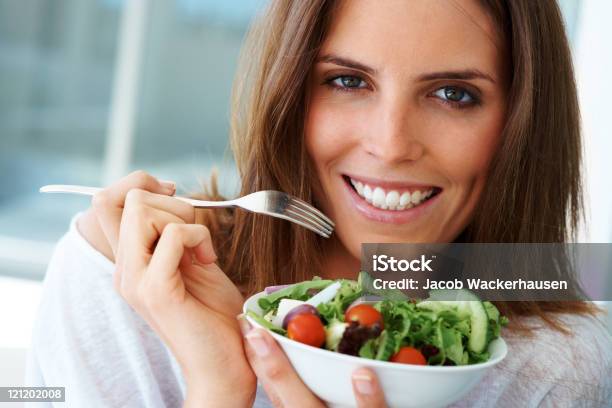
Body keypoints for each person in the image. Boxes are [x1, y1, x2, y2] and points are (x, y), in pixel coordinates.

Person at [26, 0, 612, 407]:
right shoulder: (127, 281)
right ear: (288, 90)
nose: (390, 144)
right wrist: (217, 389)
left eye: (453, 94)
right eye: (348, 81)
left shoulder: (555, 366)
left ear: (520, 122)